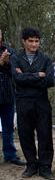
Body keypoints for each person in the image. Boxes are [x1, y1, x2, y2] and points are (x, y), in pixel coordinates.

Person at [10, 27, 54, 179]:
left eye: (36, 41)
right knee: (25, 134)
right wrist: (37, 75)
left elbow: (49, 81)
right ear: (24, 41)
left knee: (45, 135)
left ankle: (45, 167)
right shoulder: (15, 58)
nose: (34, 44)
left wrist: (27, 77)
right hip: (23, 101)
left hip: (41, 101)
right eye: (31, 41)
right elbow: (17, 79)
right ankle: (31, 165)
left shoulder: (45, 59)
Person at [0, 26, 25, 166]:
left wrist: (8, 63)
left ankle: (10, 154)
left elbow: (17, 72)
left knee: (8, 127)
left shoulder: (8, 50)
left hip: (7, 94)